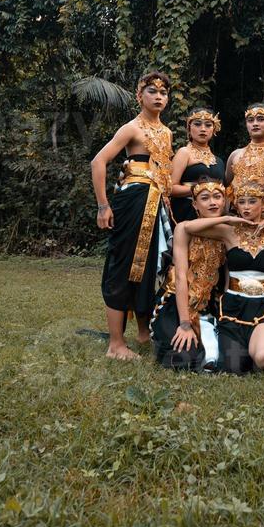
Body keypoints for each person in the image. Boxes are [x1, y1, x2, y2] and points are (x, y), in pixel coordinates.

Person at [182, 182, 264, 374]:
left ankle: (256, 347)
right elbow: (188, 227)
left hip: (263, 306)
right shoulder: (228, 231)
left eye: (252, 201)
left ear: (263, 204)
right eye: (241, 202)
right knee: (233, 368)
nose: (246, 207)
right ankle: (238, 346)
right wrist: (228, 218)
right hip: (233, 306)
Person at [91, 71, 173, 361]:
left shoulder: (167, 133)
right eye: (152, 91)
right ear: (140, 96)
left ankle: (142, 333)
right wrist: (103, 206)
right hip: (133, 201)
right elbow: (98, 161)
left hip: (158, 205)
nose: (159, 96)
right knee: (123, 264)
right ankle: (116, 344)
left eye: (163, 92)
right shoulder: (132, 129)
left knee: (148, 266)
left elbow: (167, 177)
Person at [151, 179, 226, 371]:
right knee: (183, 359)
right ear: (194, 204)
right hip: (177, 302)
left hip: (206, 306)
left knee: (223, 358)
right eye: (205, 198)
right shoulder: (184, 229)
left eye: (218, 197)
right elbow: (181, 277)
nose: (213, 202)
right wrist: (184, 324)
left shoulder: (228, 233)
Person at [170, 108, 225, 223]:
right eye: (197, 124)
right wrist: (198, 188)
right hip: (187, 212)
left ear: (214, 129)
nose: (203, 129)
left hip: (214, 215)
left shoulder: (218, 161)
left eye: (208, 125)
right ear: (189, 128)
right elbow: (170, 188)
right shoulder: (184, 153)